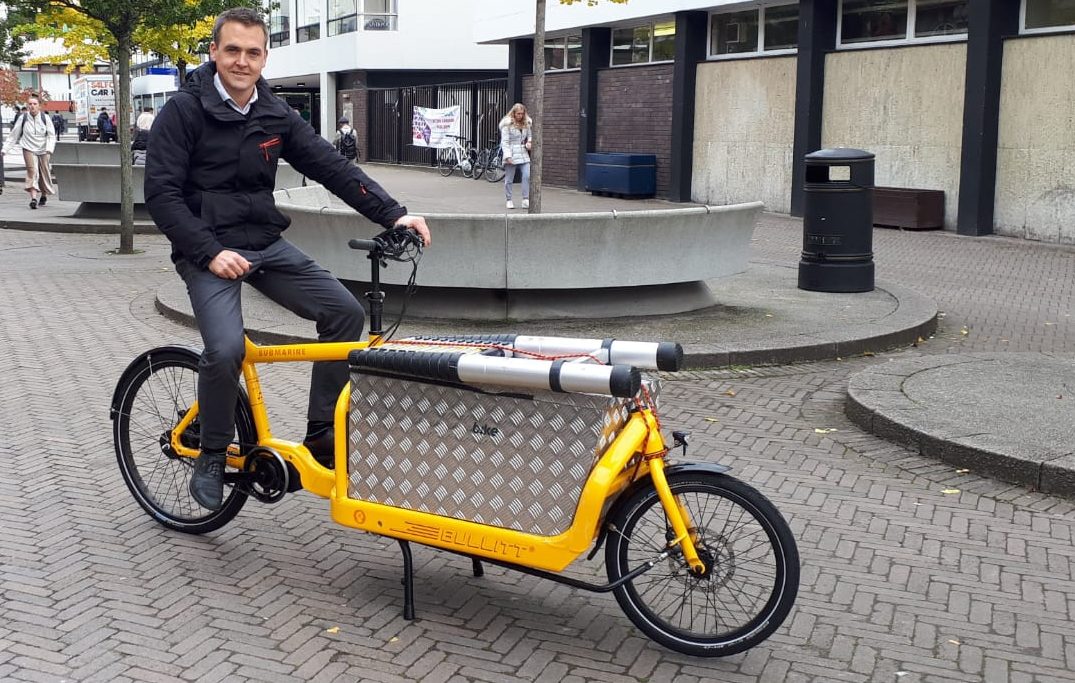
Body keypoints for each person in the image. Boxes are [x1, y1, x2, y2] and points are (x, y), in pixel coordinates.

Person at [145, 7, 431, 511]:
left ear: (264, 57)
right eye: (232, 50)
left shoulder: (274, 113)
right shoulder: (183, 112)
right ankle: (212, 453)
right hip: (205, 247)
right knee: (228, 346)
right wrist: (209, 253)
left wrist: (393, 216)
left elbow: (332, 167)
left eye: (252, 52)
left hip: (263, 240)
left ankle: (321, 431)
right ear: (214, 52)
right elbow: (162, 196)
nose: (241, 61)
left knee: (344, 312)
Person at [3, 95, 56, 209]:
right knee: (32, 171)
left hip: (43, 149)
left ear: (39, 106)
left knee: (44, 172)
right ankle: (33, 198)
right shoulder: (23, 118)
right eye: (30, 104)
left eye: (34, 104)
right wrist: (5, 149)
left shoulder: (45, 118)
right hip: (28, 148)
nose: (32, 106)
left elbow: (51, 136)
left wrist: (49, 149)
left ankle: (44, 194)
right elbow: (14, 135)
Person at [499, 102, 532, 210]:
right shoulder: (507, 125)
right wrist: (508, 156)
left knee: (527, 175)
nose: (520, 116)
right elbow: (505, 142)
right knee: (509, 179)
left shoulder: (527, 123)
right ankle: (509, 200)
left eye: (522, 113)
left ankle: (525, 199)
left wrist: (529, 143)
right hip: (511, 153)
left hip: (523, 152)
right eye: (518, 113)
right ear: (513, 113)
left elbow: (530, 136)